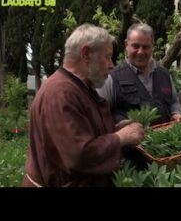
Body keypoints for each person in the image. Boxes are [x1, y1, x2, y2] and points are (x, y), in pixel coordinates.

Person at [22, 23, 145, 187]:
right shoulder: (60, 93)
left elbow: (83, 133)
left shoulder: (78, 86)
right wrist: (120, 137)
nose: (111, 65)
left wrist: (115, 129)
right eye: (107, 57)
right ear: (86, 54)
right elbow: (78, 155)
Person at [97, 23, 181, 126]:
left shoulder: (164, 75)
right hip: (130, 142)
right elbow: (99, 116)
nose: (140, 52)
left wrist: (176, 113)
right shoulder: (111, 78)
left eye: (146, 47)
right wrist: (117, 129)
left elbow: (174, 102)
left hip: (165, 139)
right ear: (126, 45)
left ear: (152, 47)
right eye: (136, 46)